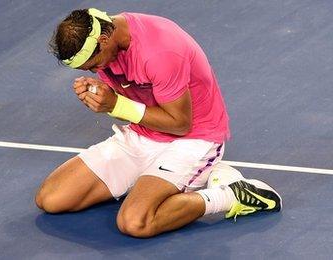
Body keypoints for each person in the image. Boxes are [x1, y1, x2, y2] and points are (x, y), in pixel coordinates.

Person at [35, 8, 282, 238]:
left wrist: (114, 105)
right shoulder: (104, 40)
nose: (94, 71)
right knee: (51, 198)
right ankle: (153, 181)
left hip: (192, 139)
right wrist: (102, 95)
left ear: (103, 41)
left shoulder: (160, 50)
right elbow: (135, 101)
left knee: (135, 222)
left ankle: (231, 193)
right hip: (143, 135)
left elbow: (179, 123)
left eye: (94, 65)